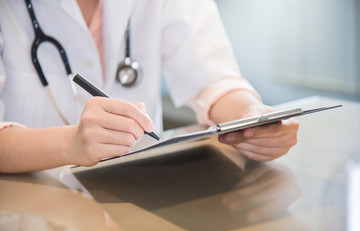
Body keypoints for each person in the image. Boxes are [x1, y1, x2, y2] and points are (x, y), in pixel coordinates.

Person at [0, 0, 299, 173]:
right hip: (32, 209)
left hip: (138, 196)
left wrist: (252, 115)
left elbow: (214, 77)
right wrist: (70, 144)